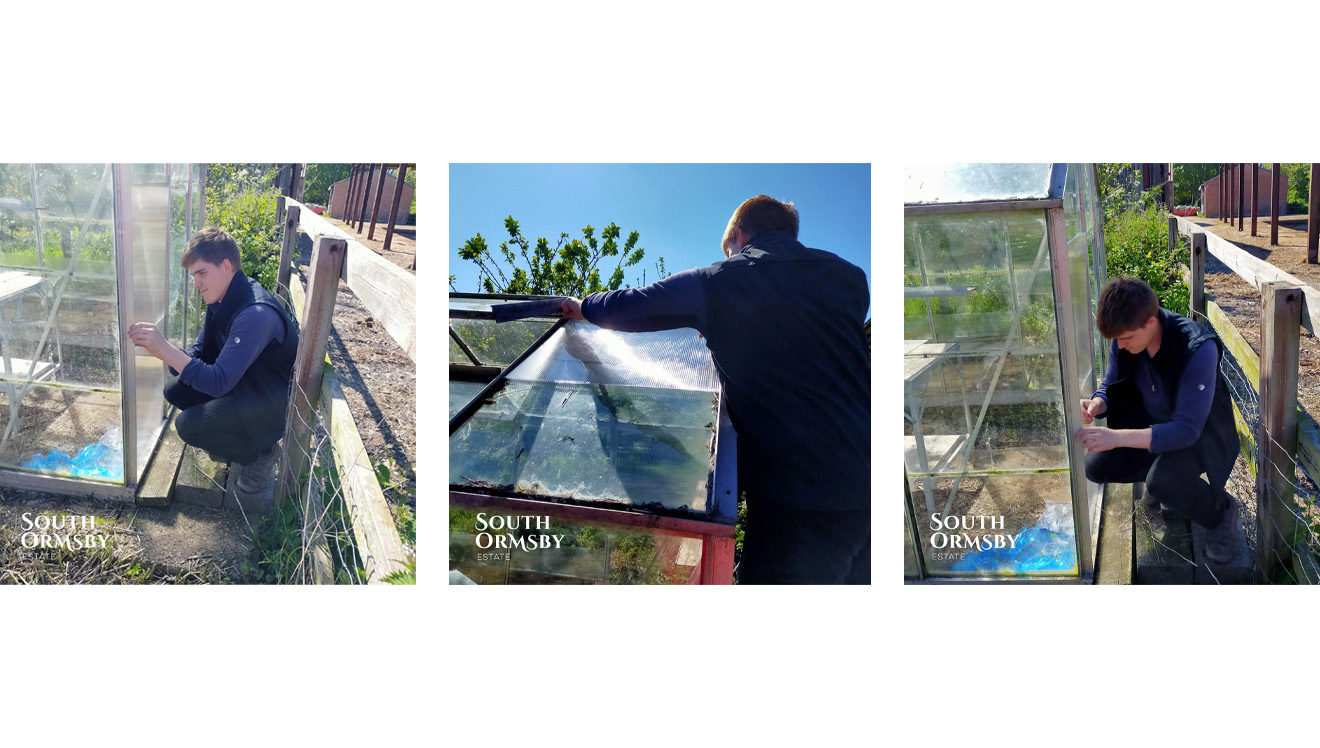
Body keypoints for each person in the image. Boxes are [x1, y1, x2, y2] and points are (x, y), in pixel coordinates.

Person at [560, 195, 871, 584]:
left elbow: (629, 307)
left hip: (802, 506)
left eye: (728, 250)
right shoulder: (850, 279)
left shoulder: (720, 280)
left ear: (739, 236)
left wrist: (583, 305)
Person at [1076, 276, 1242, 563]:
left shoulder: (1197, 349)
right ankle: (1168, 482)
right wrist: (1097, 404)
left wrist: (1115, 437)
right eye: (1117, 341)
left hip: (1202, 437)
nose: (1121, 346)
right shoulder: (1126, 336)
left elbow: (1187, 431)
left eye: (1126, 339)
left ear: (1150, 323)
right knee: (1096, 467)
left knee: (1162, 483)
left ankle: (1220, 514)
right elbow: (1111, 383)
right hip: (1156, 425)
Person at [128, 227, 299, 494]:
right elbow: (198, 353)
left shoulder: (255, 313)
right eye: (194, 276)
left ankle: (261, 454)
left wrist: (165, 349)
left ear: (226, 265)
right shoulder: (222, 299)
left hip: (269, 404)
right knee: (175, 390)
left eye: (202, 273)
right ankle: (235, 440)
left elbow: (218, 382)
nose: (196, 284)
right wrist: (165, 352)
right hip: (244, 386)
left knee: (188, 425)